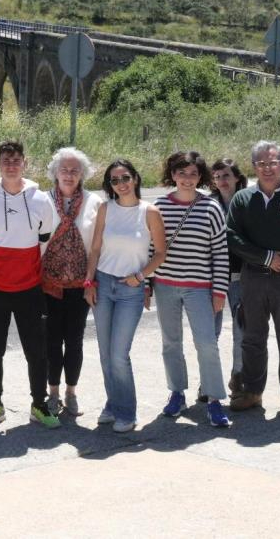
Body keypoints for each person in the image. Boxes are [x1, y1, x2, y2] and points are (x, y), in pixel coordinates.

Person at [0, 140, 60, 430]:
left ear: (24, 163)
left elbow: (44, 240)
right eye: (6, 159)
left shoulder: (40, 200)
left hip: (30, 290)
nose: (11, 164)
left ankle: (39, 404)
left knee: (36, 351)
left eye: (16, 159)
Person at [226, 140, 280, 417]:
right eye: (261, 163)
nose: (268, 168)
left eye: (273, 162)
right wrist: (265, 258)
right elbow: (231, 237)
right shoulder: (243, 199)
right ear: (254, 167)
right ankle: (253, 392)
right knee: (252, 339)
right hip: (252, 280)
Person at [83, 159, 167, 432]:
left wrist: (141, 278)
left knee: (120, 353)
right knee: (105, 353)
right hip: (104, 284)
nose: (121, 184)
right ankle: (113, 403)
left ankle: (127, 413)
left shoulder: (150, 212)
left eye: (125, 178)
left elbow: (161, 253)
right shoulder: (106, 209)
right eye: (114, 181)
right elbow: (95, 249)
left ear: (136, 178)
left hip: (131, 289)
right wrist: (89, 281)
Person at [151, 152, 232, 427]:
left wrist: (219, 291)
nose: (187, 179)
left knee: (207, 344)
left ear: (201, 177)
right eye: (181, 173)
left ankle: (214, 399)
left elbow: (221, 253)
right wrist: (147, 286)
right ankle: (177, 393)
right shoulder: (159, 206)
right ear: (172, 174)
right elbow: (152, 249)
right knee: (170, 343)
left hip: (200, 288)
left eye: (193, 174)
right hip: (165, 285)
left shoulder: (210, 207)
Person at [41, 147, 103, 417]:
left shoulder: (95, 202)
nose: (68, 175)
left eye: (74, 170)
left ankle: (71, 392)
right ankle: (52, 393)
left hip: (81, 285)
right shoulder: (40, 200)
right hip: (48, 285)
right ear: (55, 172)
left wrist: (92, 281)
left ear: (82, 175)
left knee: (75, 341)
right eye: (64, 170)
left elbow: (99, 246)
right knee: (51, 342)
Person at [211, 158, 248, 398]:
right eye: (216, 177)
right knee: (209, 331)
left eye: (225, 175)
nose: (221, 181)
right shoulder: (207, 203)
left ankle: (239, 378)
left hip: (240, 275)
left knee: (241, 329)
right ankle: (209, 380)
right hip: (212, 275)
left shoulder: (247, 202)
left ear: (236, 177)